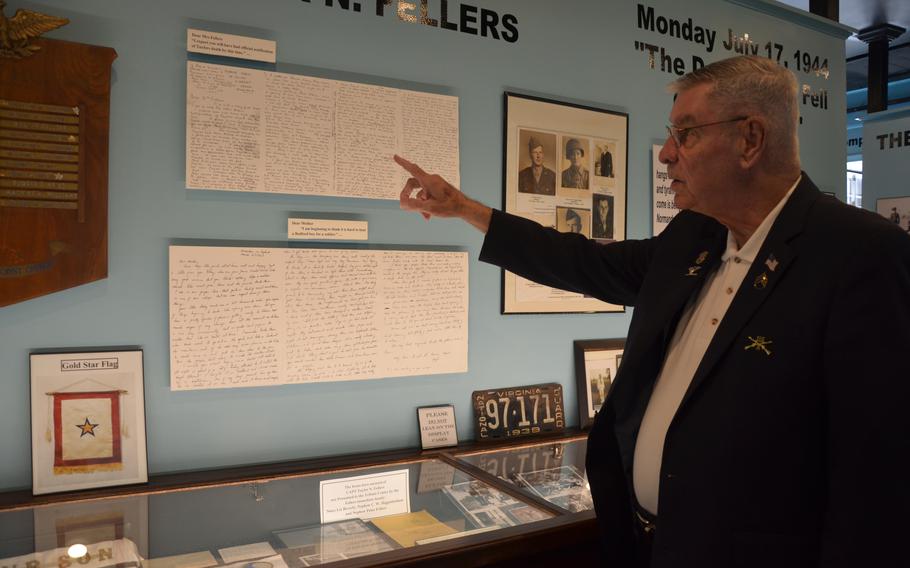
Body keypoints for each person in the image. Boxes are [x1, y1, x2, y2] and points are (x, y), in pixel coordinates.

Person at [395, 55, 910, 567]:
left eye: (686, 134)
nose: (666, 154)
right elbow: (587, 263)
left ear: (750, 140)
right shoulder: (695, 236)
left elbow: (876, 483)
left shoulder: (858, 255)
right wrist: (467, 210)